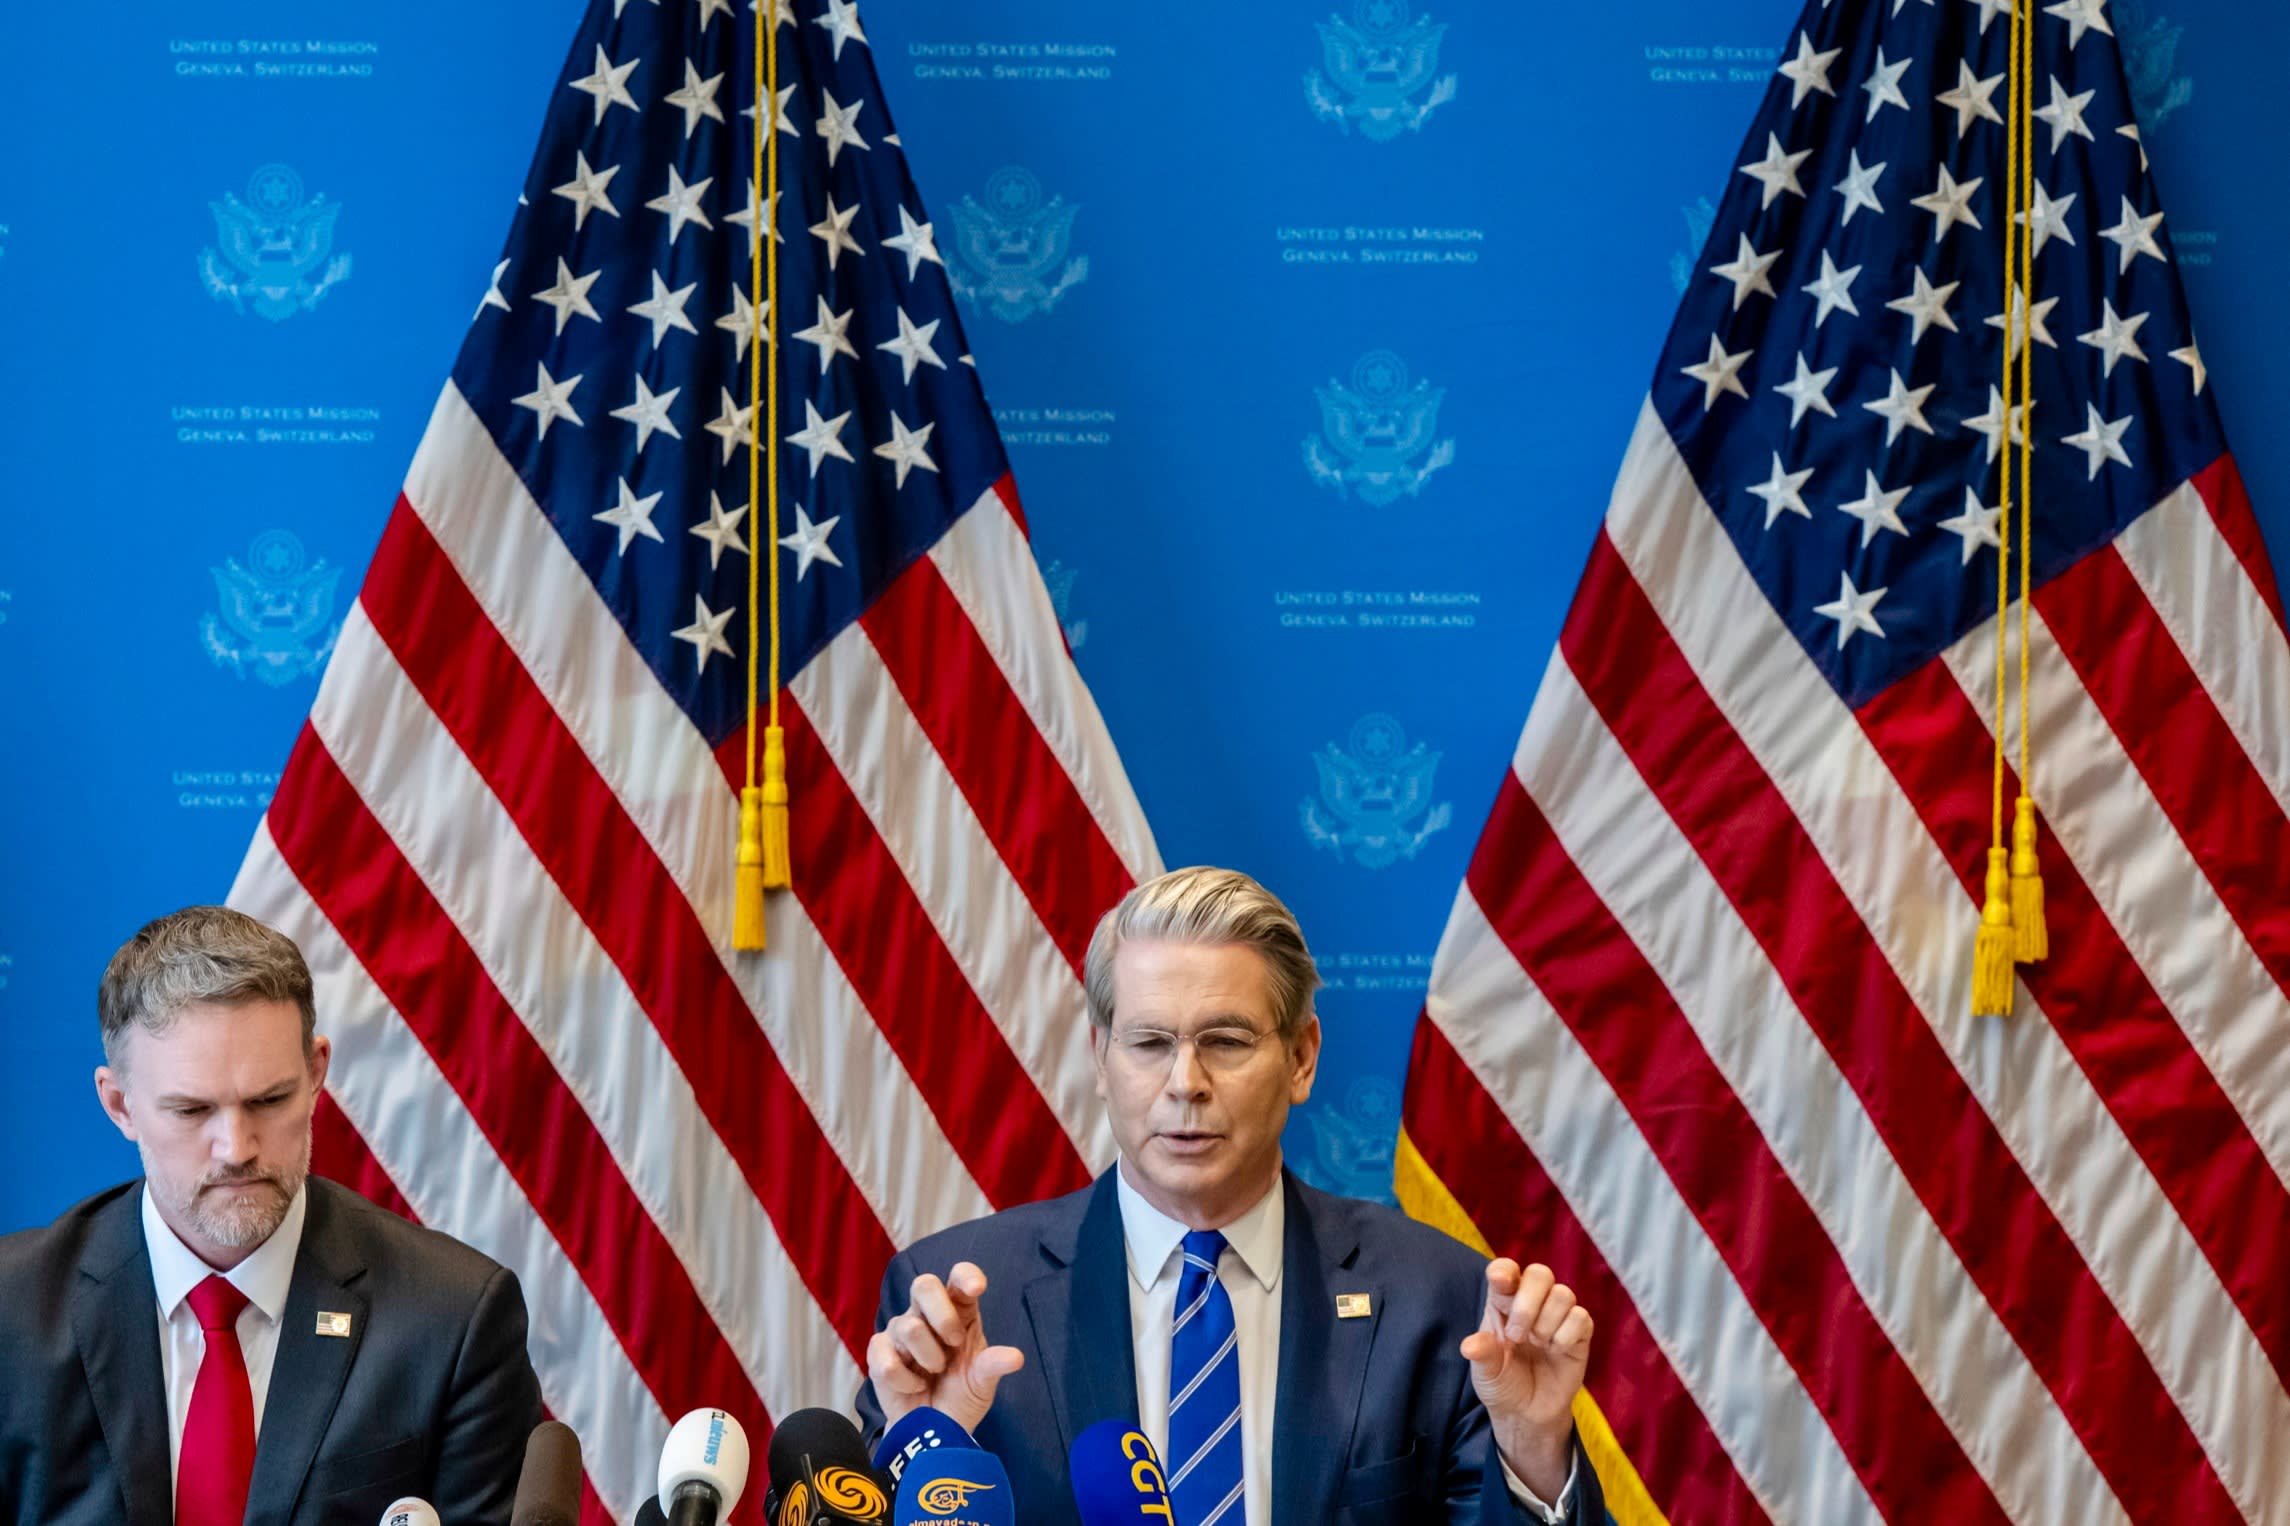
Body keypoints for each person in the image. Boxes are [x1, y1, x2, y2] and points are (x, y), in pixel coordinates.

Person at [858, 868, 1604, 1526]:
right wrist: (922, 1452)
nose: (1185, 1083)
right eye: (1149, 1043)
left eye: (1225, 1041)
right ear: (1100, 1058)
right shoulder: (964, 1311)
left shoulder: (1436, 1299)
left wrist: (1535, 1454)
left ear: (1301, 1058)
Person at [0, 906, 545, 1526]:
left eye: (269, 1099)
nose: (237, 1149)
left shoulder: (452, 1318)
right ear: (119, 1104)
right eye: (191, 1110)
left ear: (315, 1073)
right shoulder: (12, 1314)